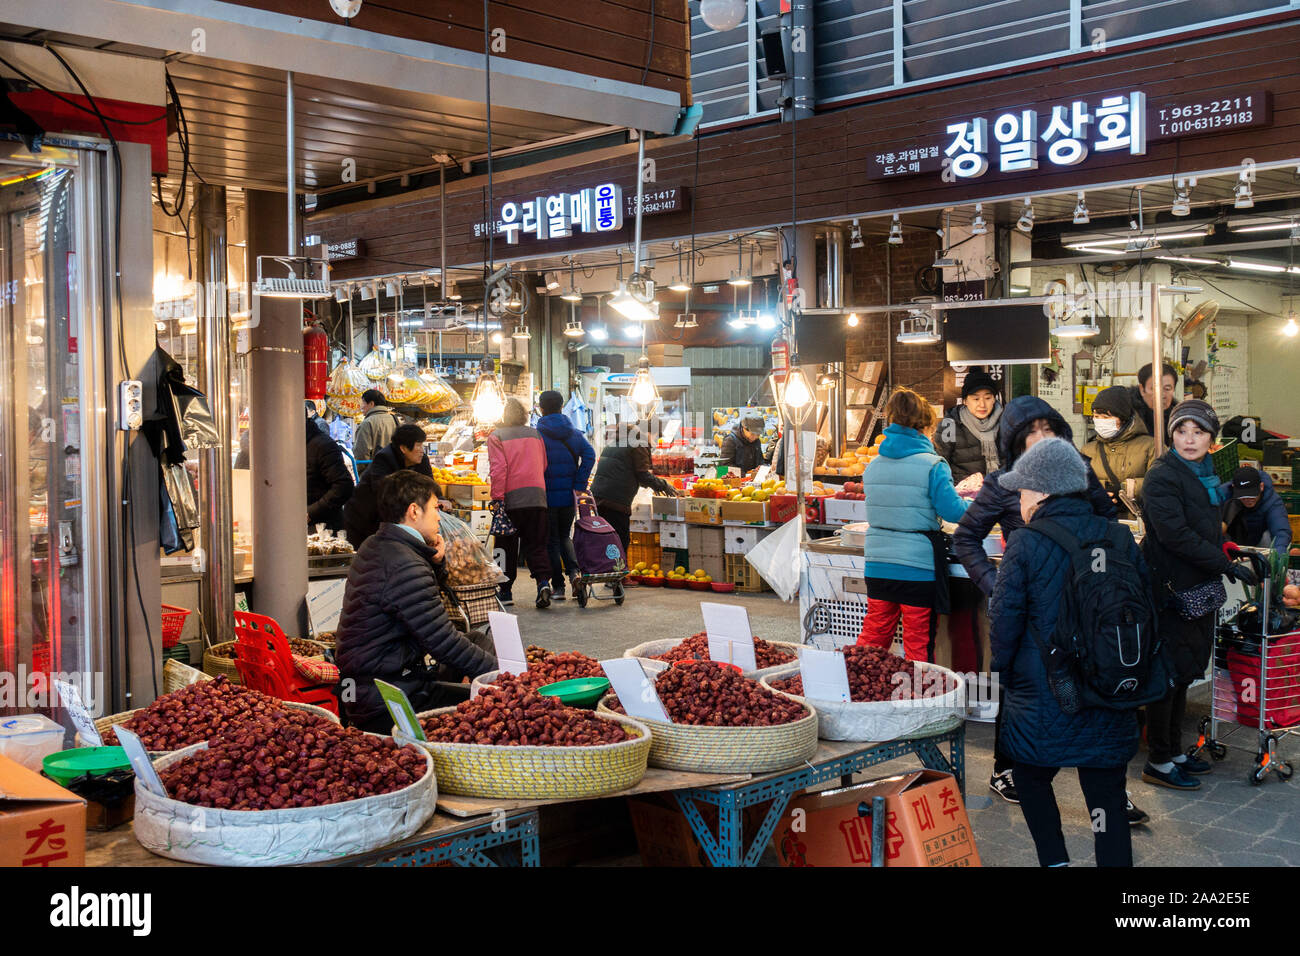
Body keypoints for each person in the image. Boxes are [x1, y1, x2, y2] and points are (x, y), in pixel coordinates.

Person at [953, 395, 1122, 811]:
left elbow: (1108, 523)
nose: (1040, 437)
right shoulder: (1002, 482)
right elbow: (965, 538)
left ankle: (1106, 785)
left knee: (1088, 679)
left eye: (1048, 429)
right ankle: (1004, 768)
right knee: (1020, 682)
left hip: (1081, 601)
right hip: (1027, 602)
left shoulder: (1080, 471)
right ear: (1014, 440)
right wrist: (996, 584)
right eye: (1030, 432)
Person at [989, 438, 1142, 867]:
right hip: (1112, 686)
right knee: (1105, 795)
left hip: (1045, 692)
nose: (1020, 500)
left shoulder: (1026, 543)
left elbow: (1004, 621)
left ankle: (1056, 861)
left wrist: (1001, 670)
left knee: (1032, 778)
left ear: (1041, 493)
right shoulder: (1119, 537)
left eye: (1021, 491)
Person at [1140, 400, 1256, 791]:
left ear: (1211, 438)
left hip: (1197, 585)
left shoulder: (1204, 471)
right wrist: (1224, 566)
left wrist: (1225, 546)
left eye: (1199, 432)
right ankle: (1157, 759)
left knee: (1187, 670)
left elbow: (1205, 526)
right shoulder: (1163, 476)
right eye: (1181, 431)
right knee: (1168, 674)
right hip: (1171, 588)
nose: (1189, 439)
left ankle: (1173, 752)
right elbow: (1175, 535)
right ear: (1172, 435)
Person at [335, 470, 496, 733]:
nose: (439, 517)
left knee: (476, 640)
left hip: (375, 681)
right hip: (388, 698)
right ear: (413, 511)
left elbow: (420, 607)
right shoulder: (404, 563)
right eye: (434, 508)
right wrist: (505, 675)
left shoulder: (377, 544)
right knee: (491, 708)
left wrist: (436, 563)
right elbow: (443, 642)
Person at [857, 387, 969, 663]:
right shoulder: (933, 465)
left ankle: (857, 694)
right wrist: (983, 506)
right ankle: (919, 703)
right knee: (918, 646)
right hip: (917, 568)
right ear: (927, 427)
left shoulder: (872, 466)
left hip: (877, 564)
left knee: (872, 642)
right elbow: (954, 512)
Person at [487, 398, 554, 608]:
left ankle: (505, 591)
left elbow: (499, 469)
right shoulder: (535, 434)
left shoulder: (496, 436)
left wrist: (497, 498)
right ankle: (543, 582)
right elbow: (543, 464)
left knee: (505, 546)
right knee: (537, 544)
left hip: (511, 500)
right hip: (537, 498)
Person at [536, 389, 596, 601]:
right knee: (564, 536)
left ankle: (558, 587)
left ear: (541, 409)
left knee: (551, 541)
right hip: (569, 497)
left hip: (546, 498)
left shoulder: (538, 435)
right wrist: (579, 484)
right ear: (562, 407)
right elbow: (590, 455)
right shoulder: (574, 433)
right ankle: (574, 573)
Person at [590, 421, 679, 551]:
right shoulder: (638, 444)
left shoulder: (613, 444)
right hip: (616, 500)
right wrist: (664, 486)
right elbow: (643, 475)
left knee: (605, 538)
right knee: (620, 540)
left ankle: (604, 568)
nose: (654, 440)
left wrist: (654, 485)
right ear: (648, 433)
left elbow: (633, 473)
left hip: (598, 497)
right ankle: (618, 569)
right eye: (655, 436)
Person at [343, 423, 434, 547]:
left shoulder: (421, 459)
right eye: (418, 445)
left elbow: (430, 485)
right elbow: (385, 493)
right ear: (403, 448)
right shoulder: (384, 458)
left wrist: (440, 500)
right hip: (364, 518)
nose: (422, 450)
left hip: (391, 521)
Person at [1081, 385, 1156, 517]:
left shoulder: (1150, 446)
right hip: (1101, 522)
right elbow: (1077, 485)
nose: (1100, 422)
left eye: (1106, 417)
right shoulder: (1088, 450)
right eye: (1096, 416)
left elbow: (1161, 483)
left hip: (1140, 523)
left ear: (1123, 418)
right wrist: (1100, 491)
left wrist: (1124, 490)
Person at [934, 369, 1003, 483]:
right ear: (965, 401)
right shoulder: (950, 425)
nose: (982, 404)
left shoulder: (1005, 422)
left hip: (999, 494)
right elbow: (940, 464)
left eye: (987, 398)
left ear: (994, 399)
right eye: (976, 399)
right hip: (963, 496)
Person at [1222, 465, 1293, 555]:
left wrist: (1278, 557)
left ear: (1261, 487)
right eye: (1243, 495)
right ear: (1233, 488)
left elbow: (1281, 531)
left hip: (1258, 541)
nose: (1248, 499)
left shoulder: (1272, 501)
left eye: (1252, 494)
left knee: (1268, 537)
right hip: (1231, 541)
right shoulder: (1222, 494)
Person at [306, 414, 354, 531]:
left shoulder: (323, 445)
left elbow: (344, 485)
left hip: (323, 528)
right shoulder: (287, 446)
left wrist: (310, 512)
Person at [353, 388, 399, 474]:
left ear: (371, 404)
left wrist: (362, 475)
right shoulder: (394, 419)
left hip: (376, 474)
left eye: (363, 402)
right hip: (394, 471)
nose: (361, 406)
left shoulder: (367, 423)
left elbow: (361, 454)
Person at [1129, 362, 1178, 441]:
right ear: (1142, 389)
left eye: (1167, 389)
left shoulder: (1177, 419)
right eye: (1155, 389)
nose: (1162, 395)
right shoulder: (1129, 418)